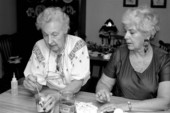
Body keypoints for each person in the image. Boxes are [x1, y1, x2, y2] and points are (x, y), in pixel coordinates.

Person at [96, 5, 170, 112]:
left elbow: (165, 101)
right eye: (125, 31)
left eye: (132, 32)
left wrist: (127, 106)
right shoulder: (119, 53)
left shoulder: (163, 58)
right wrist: (102, 91)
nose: (125, 36)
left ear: (147, 34)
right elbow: (104, 83)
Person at [23, 7, 90, 112]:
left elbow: (77, 83)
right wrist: (32, 85)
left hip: (75, 97)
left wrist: (57, 96)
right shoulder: (39, 47)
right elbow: (38, 85)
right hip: (48, 95)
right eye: (45, 35)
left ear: (65, 31)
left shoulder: (78, 45)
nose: (49, 41)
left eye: (54, 34)